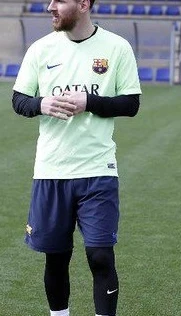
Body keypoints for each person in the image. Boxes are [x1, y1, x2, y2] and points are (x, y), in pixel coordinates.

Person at [11, 0, 141, 315]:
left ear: (83, 4)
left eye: (59, 1)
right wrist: (41, 104)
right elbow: (19, 99)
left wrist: (90, 101)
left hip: (98, 169)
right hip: (51, 170)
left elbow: (130, 103)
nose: (50, 7)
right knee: (56, 257)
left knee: (100, 256)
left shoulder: (117, 47)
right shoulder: (40, 49)